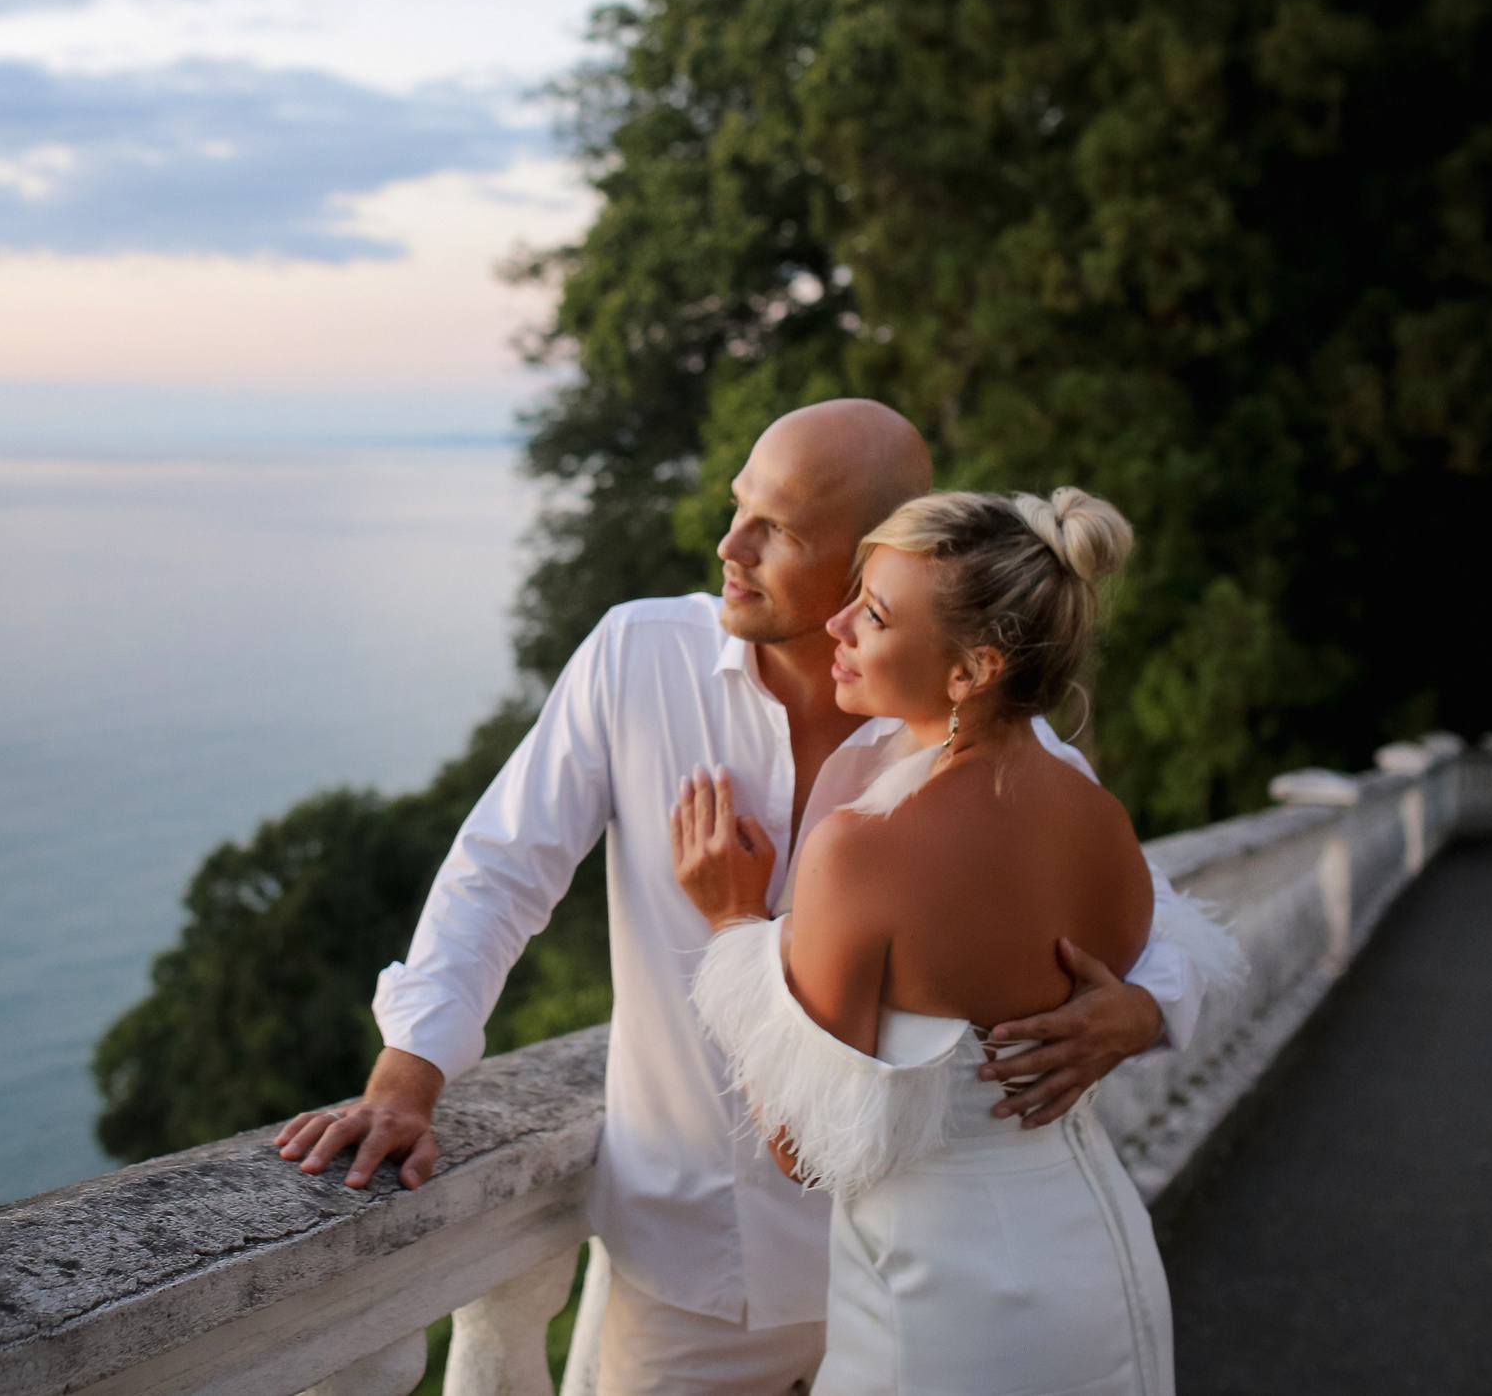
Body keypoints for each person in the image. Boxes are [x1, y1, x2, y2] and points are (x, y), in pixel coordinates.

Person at [273, 402, 1214, 1396]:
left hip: (907, 1270)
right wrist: (407, 1073)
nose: (730, 545)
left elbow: (1154, 919)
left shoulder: (986, 737)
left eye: (779, 529)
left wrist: (1145, 1009)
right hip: (687, 1264)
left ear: (872, 557)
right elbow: (502, 868)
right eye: (739, 507)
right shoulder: (637, 655)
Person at [679, 488, 1242, 1396]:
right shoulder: (1097, 814)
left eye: (873, 613)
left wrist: (734, 925)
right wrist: (1143, 1010)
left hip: (948, 1301)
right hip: (1102, 1259)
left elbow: (801, 1146)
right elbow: (1160, 947)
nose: (836, 625)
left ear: (972, 669)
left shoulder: (860, 851)